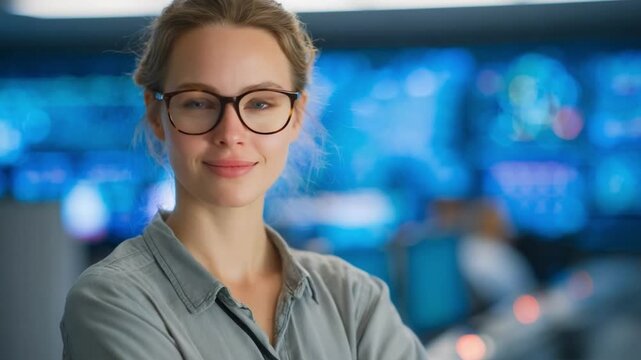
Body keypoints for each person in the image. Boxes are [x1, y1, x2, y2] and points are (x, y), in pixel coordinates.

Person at [60, 0, 427, 359]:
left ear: (296, 115)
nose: (231, 133)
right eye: (199, 102)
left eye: (260, 103)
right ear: (157, 114)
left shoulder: (353, 297)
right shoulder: (114, 300)